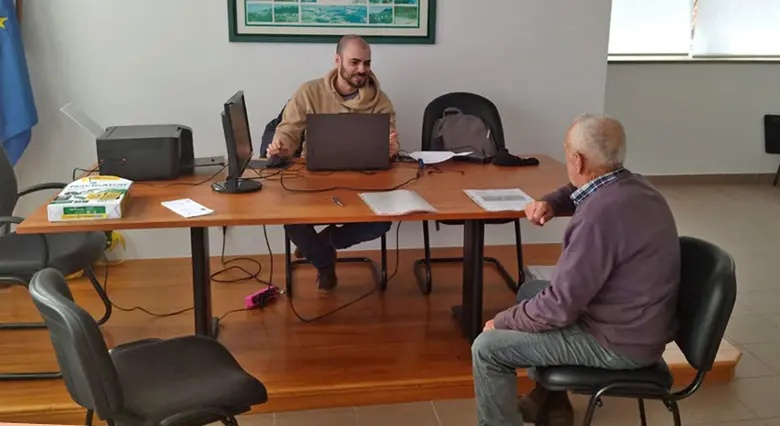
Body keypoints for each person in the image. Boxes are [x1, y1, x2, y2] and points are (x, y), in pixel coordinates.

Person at [471, 114, 680, 426]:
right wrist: (552, 202)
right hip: (639, 323)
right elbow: (581, 192)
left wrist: (499, 321)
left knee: (487, 348)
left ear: (578, 161)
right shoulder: (636, 186)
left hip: (618, 342)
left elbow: (558, 308)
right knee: (531, 291)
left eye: (567, 151)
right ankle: (550, 405)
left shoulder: (598, 217)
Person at [266, 35, 398, 295]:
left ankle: (325, 241)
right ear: (338, 61)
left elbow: (390, 139)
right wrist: (281, 145)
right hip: (312, 177)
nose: (362, 69)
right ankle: (325, 262)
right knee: (291, 220)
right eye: (355, 62)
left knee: (381, 222)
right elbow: (289, 130)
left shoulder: (380, 100)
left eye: (367, 63)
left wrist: (390, 149)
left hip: (364, 180)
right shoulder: (309, 91)